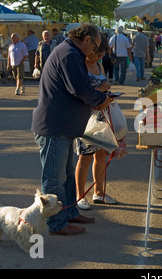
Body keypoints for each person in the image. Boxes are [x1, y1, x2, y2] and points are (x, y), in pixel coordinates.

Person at [31, 23, 112, 236]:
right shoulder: (69, 54)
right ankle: (57, 223)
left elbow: (82, 85)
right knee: (54, 180)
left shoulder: (70, 53)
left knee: (65, 176)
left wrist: (100, 97)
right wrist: (101, 100)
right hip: (55, 127)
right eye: (94, 46)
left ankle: (68, 213)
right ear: (86, 39)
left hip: (63, 127)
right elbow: (80, 88)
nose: (94, 51)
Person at [74, 34, 117, 210]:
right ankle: (80, 196)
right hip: (85, 118)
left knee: (101, 154)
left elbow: (105, 84)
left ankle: (99, 192)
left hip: (101, 115)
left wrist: (108, 95)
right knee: (85, 157)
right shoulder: (80, 65)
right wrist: (101, 89)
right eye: (97, 54)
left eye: (101, 56)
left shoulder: (98, 65)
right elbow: (82, 92)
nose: (99, 58)